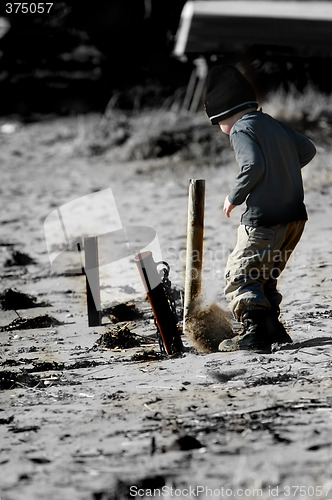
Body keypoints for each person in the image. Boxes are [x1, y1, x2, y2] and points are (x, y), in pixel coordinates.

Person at [204, 65, 316, 353]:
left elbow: (252, 164)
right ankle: (272, 329)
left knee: (241, 274)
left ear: (224, 114)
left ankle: (254, 333)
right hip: (294, 219)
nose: (221, 130)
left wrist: (234, 197)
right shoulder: (272, 123)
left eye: (218, 124)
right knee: (265, 274)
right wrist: (282, 171)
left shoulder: (240, 129)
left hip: (263, 219)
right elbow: (307, 150)